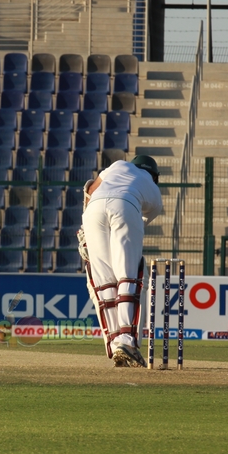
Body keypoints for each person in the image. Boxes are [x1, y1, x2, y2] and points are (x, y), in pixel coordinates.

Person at [78, 155, 163, 368]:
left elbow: (90, 190)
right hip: (125, 206)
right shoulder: (154, 192)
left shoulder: (117, 166)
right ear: (154, 175)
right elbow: (139, 220)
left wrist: (84, 227)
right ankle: (126, 341)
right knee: (127, 275)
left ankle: (115, 342)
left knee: (104, 280)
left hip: (93, 211)